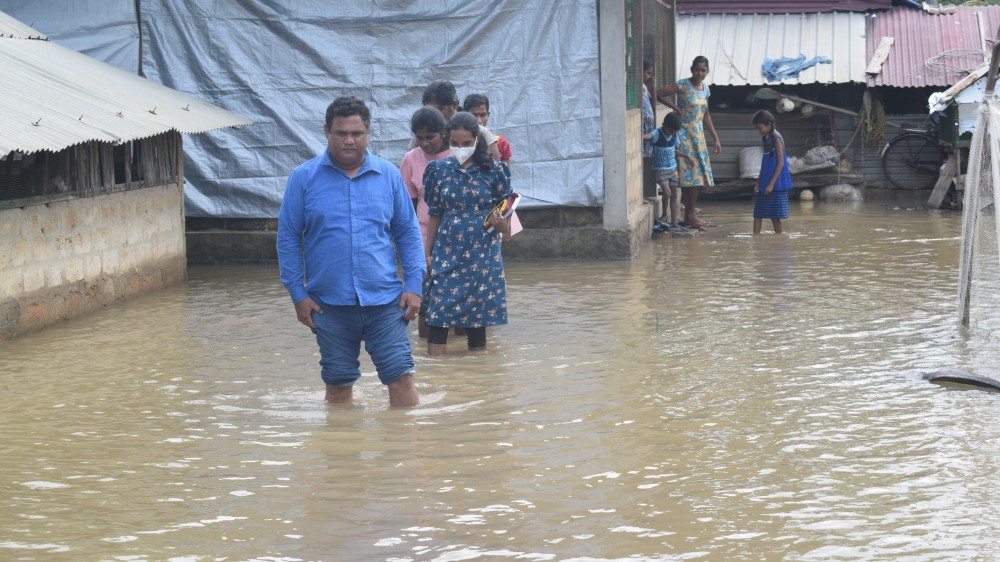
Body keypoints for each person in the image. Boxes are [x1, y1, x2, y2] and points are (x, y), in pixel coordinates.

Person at [276, 96, 425, 408]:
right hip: (327, 305)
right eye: (341, 133)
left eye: (356, 133)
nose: (349, 140)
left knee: (402, 379)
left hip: (385, 301)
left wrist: (414, 286)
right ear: (326, 131)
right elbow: (288, 239)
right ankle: (343, 455)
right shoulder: (303, 179)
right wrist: (297, 295)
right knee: (338, 385)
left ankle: (406, 452)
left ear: (368, 132)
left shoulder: (388, 176)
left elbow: (408, 234)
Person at [423, 112, 512, 355]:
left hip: (483, 254)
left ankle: (477, 378)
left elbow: (508, 220)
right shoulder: (438, 171)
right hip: (447, 251)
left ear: (476, 141)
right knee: (438, 314)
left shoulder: (494, 172)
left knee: (477, 319)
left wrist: (503, 227)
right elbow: (435, 214)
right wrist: (428, 254)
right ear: (447, 140)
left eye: (466, 144)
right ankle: (435, 377)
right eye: (455, 143)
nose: (460, 148)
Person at [399, 106, 452, 338]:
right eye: (419, 138)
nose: (424, 143)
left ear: (443, 133)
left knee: (458, 297)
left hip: (455, 236)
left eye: (430, 137)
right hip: (422, 238)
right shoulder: (411, 159)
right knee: (426, 300)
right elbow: (406, 205)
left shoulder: (457, 155)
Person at [656, 55, 722, 231]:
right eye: (697, 69)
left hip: (698, 137)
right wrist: (675, 108)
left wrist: (715, 138)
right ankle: (689, 216)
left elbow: (706, 114)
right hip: (684, 135)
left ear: (707, 72)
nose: (699, 73)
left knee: (699, 177)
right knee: (690, 175)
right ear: (691, 69)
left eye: (703, 70)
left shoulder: (706, 89)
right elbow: (659, 93)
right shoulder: (683, 85)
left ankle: (690, 214)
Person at [643, 112, 692, 233]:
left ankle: (674, 222)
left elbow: (673, 151)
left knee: (675, 195)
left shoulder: (675, 135)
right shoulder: (658, 133)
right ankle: (664, 215)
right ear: (663, 124)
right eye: (669, 130)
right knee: (667, 192)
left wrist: (686, 156)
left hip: (672, 170)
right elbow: (650, 135)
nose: (670, 133)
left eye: (673, 131)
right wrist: (641, 137)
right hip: (661, 170)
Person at [751, 110, 791, 234]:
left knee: (775, 216)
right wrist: (758, 182)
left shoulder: (777, 138)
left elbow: (780, 163)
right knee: (758, 214)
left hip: (775, 182)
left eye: (760, 128)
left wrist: (771, 184)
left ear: (768, 124)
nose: (758, 131)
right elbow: (765, 162)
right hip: (765, 180)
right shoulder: (766, 138)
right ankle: (756, 240)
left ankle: (779, 240)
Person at [463, 93, 512, 162]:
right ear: (465, 116)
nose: (479, 121)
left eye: (483, 115)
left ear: (488, 115)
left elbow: (504, 171)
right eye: (473, 115)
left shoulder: (501, 143)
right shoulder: (459, 142)